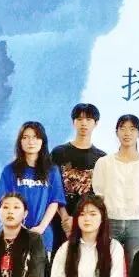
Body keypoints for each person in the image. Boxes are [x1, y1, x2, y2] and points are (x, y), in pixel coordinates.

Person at [0, 121, 65, 277]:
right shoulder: (10, 170)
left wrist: (41, 227)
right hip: (15, 237)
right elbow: (4, 202)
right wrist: (19, 227)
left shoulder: (51, 170)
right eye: (25, 137)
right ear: (20, 141)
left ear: (43, 141)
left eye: (35, 137)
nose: (30, 141)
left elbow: (54, 201)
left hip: (44, 238)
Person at [91, 114, 139, 265]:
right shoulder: (104, 162)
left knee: (137, 268)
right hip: (110, 221)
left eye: (132, 129)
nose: (127, 133)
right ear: (117, 132)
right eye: (122, 128)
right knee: (106, 266)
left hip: (137, 223)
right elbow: (99, 197)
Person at [51, 103, 105, 258]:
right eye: (79, 119)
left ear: (96, 123)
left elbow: (100, 195)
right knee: (59, 259)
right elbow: (53, 188)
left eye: (88, 119)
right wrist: (65, 217)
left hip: (88, 221)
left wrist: (82, 218)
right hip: (62, 220)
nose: (84, 123)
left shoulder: (101, 158)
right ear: (73, 122)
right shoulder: (59, 152)